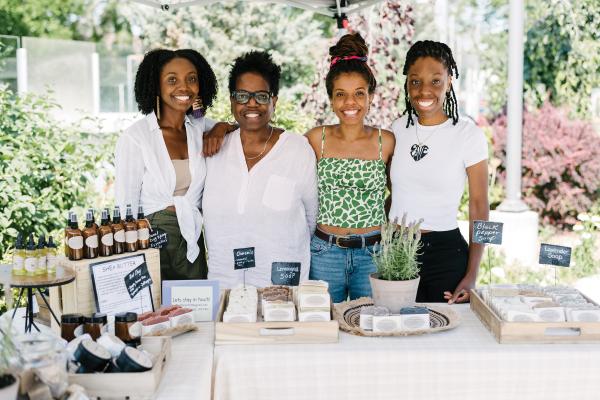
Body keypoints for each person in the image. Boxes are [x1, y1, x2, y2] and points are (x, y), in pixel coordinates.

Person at [202, 51, 318, 288]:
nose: (252, 104)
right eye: (243, 95)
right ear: (232, 100)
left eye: (261, 96)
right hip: (225, 281)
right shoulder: (213, 148)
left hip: (282, 281)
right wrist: (221, 128)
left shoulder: (297, 149)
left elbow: (311, 217)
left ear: (274, 101)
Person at [115, 48, 232, 281]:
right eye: (172, 80)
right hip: (151, 241)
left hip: (192, 240)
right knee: (156, 313)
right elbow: (125, 206)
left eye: (192, 79)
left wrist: (220, 127)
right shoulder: (137, 137)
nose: (184, 87)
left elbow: (238, 127)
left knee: (194, 312)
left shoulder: (199, 127)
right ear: (156, 86)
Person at [389, 40, 489, 304]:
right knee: (397, 332)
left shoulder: (468, 134)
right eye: (415, 81)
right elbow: (389, 193)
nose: (424, 91)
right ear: (407, 83)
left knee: (445, 334)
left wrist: (472, 274)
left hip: (445, 253)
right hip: (397, 248)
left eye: (435, 81)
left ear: (450, 80)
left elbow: (479, 206)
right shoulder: (396, 130)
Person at [305, 33, 395, 303]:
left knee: (368, 324)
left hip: (372, 253)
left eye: (359, 93)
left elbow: (399, 193)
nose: (350, 103)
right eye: (340, 95)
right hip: (324, 252)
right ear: (331, 99)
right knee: (322, 324)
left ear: (371, 97)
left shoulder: (386, 141)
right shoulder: (315, 138)